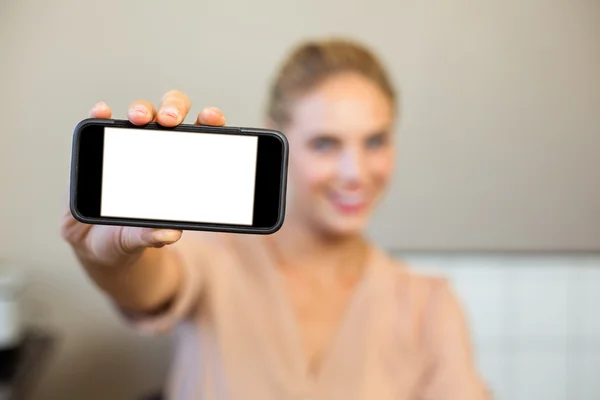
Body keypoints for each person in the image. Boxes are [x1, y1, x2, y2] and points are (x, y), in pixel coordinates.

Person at [61, 37, 491, 400]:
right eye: (325, 144)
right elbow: (148, 287)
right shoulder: (215, 258)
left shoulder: (429, 305)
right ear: (278, 137)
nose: (355, 172)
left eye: (375, 141)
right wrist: (110, 255)